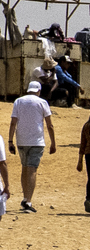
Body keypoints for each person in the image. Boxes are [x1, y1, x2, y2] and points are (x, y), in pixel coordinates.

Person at [7, 80, 58, 214]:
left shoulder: (18, 101)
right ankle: (28, 201)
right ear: (38, 91)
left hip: (21, 141)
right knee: (32, 169)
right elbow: (49, 125)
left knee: (25, 168)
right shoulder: (42, 103)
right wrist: (53, 143)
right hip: (36, 141)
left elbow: (13, 123)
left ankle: (25, 197)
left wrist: (10, 141)